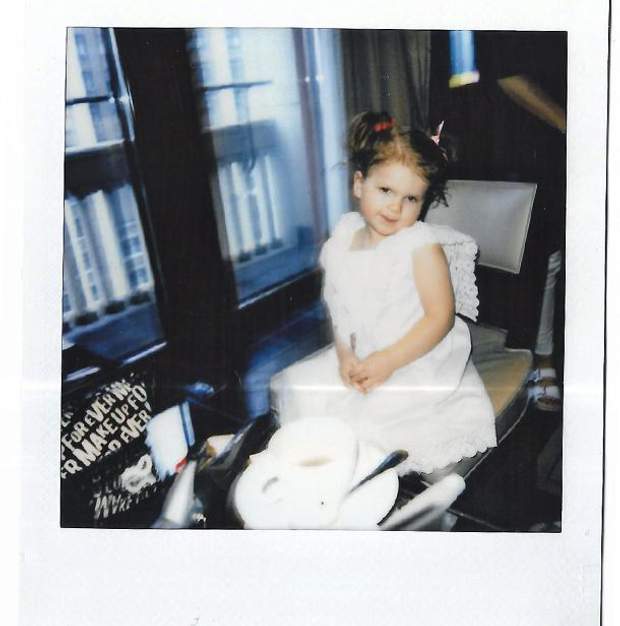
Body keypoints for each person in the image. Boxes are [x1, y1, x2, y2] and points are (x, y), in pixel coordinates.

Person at [270, 111, 496, 476]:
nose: (395, 207)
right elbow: (340, 308)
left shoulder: (419, 245)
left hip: (416, 354)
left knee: (371, 423)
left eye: (411, 198)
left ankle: (373, 487)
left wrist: (389, 360)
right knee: (304, 391)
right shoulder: (343, 237)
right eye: (386, 191)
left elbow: (440, 318)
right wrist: (345, 355)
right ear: (359, 184)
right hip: (368, 350)